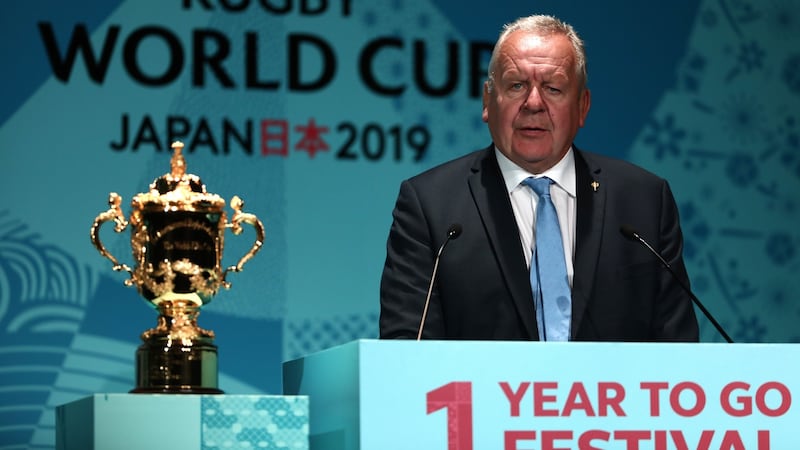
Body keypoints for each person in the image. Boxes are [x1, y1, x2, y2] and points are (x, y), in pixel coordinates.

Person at [378, 14, 699, 341]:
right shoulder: (430, 205)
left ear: (583, 106)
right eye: (516, 85)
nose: (533, 103)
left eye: (553, 88)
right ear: (488, 100)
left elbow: (678, 349)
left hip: (615, 394)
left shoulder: (643, 201)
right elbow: (405, 349)